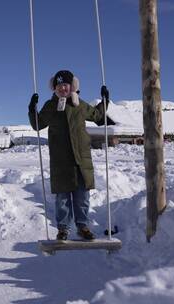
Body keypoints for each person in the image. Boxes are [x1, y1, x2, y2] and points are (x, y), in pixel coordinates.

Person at [28, 70, 109, 241]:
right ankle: (63, 229)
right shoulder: (50, 107)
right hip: (61, 161)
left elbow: (97, 115)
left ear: (72, 86)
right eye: (59, 85)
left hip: (81, 160)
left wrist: (104, 101)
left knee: (82, 197)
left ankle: (83, 227)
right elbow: (37, 124)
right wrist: (32, 108)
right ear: (54, 88)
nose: (62, 88)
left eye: (65, 84)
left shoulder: (79, 104)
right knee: (62, 199)